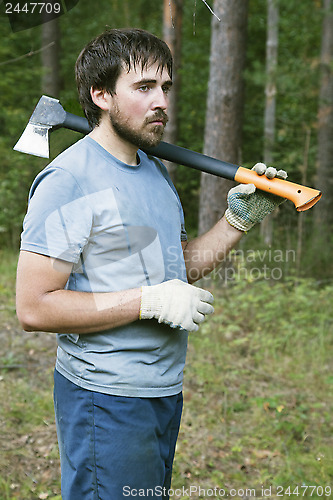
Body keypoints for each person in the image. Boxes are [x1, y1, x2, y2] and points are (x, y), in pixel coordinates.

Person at [16, 28, 286, 500]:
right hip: (106, 398)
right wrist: (147, 301)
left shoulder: (153, 171)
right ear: (101, 95)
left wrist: (237, 221)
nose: (161, 101)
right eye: (143, 88)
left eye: (165, 88)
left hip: (161, 391)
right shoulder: (69, 180)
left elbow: (172, 269)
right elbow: (35, 308)